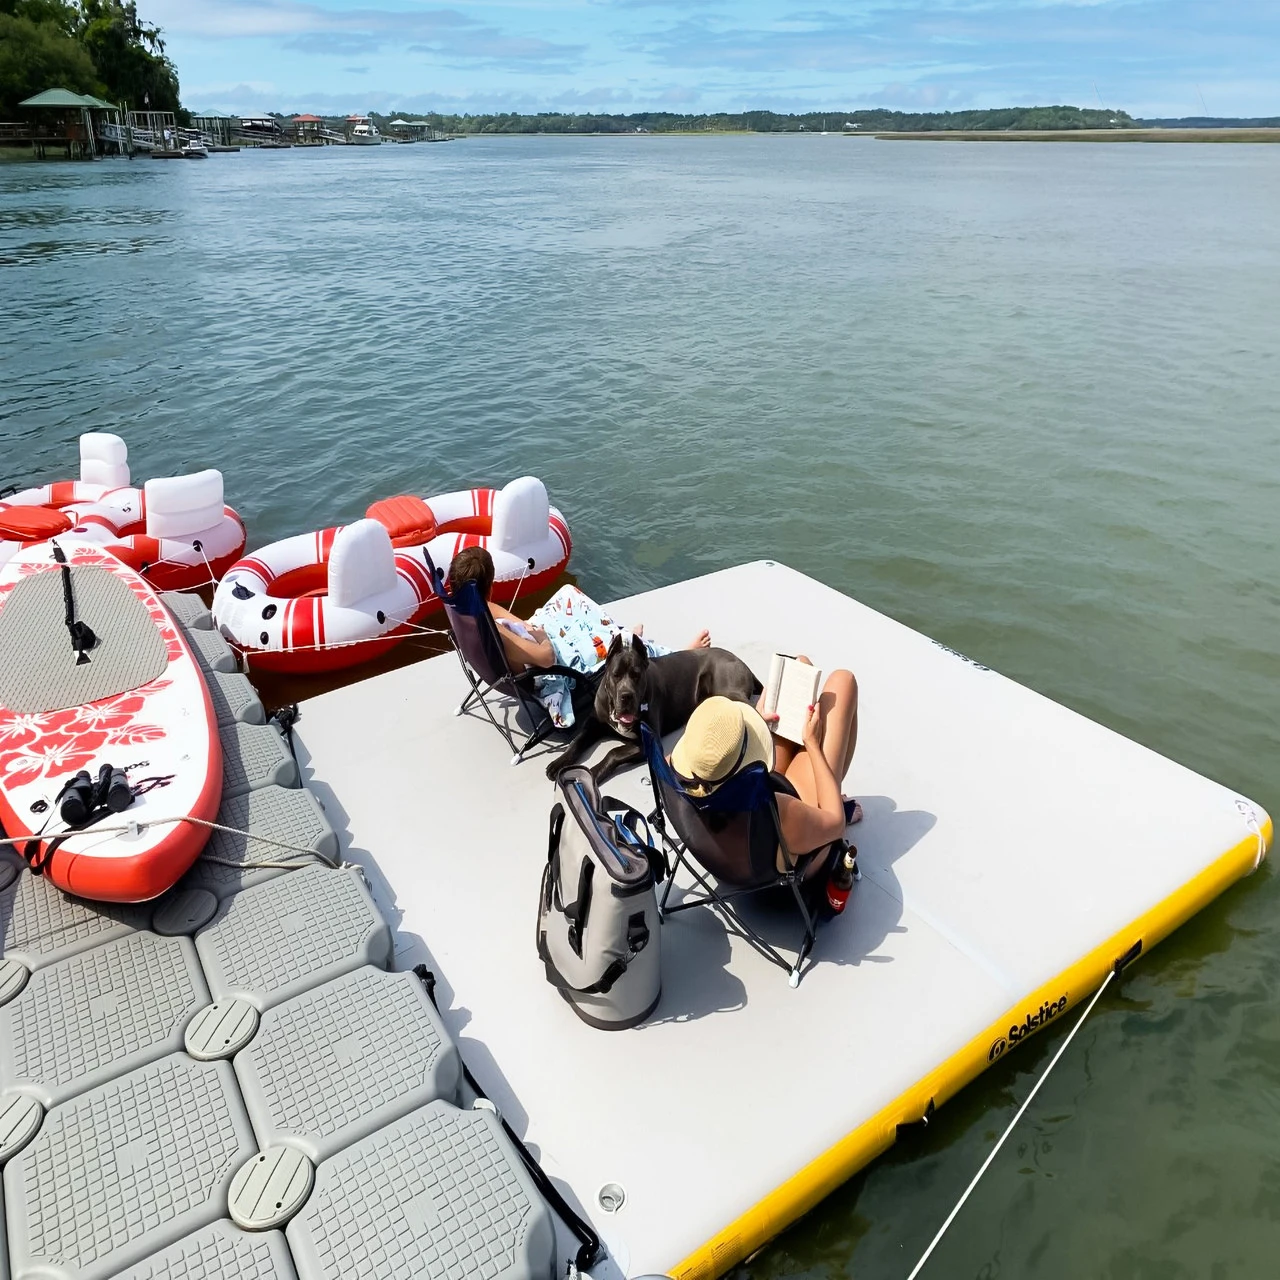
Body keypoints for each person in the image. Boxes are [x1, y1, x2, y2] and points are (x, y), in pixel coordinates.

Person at [447, 545, 709, 727]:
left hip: (528, 643)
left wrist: (527, 627)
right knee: (623, 654)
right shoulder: (498, 635)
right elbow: (546, 658)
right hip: (547, 668)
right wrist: (541, 636)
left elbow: (501, 613)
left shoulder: (462, 611)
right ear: (490, 587)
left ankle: (616, 631)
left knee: (568, 595)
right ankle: (675, 652)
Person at [669, 658, 860, 868]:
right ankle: (832, 794)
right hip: (780, 835)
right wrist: (812, 744)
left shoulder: (675, 774)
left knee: (800, 667)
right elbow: (837, 825)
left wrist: (754, 724)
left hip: (736, 816)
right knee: (843, 682)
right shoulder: (784, 811)